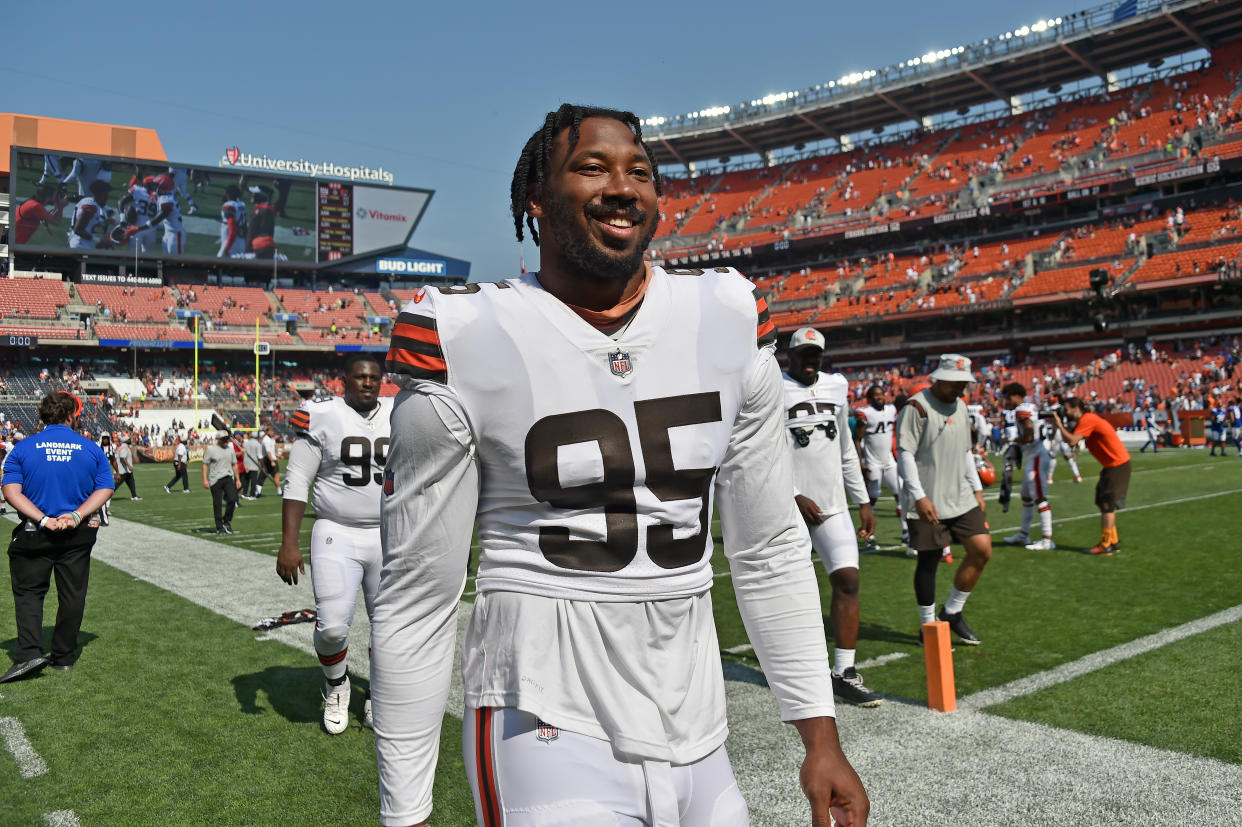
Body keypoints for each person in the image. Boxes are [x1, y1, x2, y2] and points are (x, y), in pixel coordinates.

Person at [372, 104, 867, 827]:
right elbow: (419, 593)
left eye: (640, 171)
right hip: (543, 713)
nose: (623, 186)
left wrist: (819, 737)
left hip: (698, 724)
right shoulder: (464, 332)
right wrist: (405, 813)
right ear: (535, 201)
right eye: (592, 166)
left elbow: (768, 547)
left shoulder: (726, 311)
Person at [277, 354, 392, 734]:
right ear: (344, 380)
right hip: (336, 531)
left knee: (390, 628)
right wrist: (288, 544)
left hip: (389, 534)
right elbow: (296, 480)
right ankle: (337, 684)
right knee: (331, 629)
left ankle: (379, 692)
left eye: (374, 377)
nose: (367, 383)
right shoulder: (322, 415)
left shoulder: (400, 411)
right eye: (360, 377)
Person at [783, 328, 882, 707]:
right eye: (804, 355)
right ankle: (798, 668)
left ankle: (845, 671)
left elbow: (844, 449)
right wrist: (793, 493)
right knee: (792, 592)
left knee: (848, 579)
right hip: (787, 506)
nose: (811, 361)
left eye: (816, 355)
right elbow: (764, 449)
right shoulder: (773, 387)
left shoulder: (836, 387)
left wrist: (863, 501)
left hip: (832, 505)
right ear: (789, 356)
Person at [0, 392, 113, 682]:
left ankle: (28, 654)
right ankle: (63, 658)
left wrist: (43, 519)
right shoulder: (90, 448)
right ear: (72, 416)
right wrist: (76, 515)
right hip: (77, 534)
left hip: (35, 532)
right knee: (72, 595)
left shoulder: (23, 448)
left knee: (29, 594)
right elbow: (106, 488)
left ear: (42, 416)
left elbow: (11, 491)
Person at [898, 354, 991, 645]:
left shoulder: (962, 408)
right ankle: (928, 627)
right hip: (929, 498)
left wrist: (975, 487)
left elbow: (965, 452)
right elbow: (904, 454)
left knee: (982, 550)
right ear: (938, 378)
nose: (959, 388)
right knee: (930, 561)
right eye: (953, 382)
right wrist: (919, 496)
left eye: (963, 383)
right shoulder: (917, 406)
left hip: (960, 494)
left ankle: (952, 612)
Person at [1052, 398, 1131, 555]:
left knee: (1107, 504)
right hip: (1112, 465)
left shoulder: (1088, 419)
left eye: (1066, 409)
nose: (1065, 413)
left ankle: (1106, 544)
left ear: (1076, 408)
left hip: (1117, 465)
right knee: (1102, 500)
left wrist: (1059, 425)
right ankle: (1113, 541)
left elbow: (1073, 440)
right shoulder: (1086, 420)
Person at [998, 383, 1054, 551]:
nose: (1006, 401)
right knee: (1026, 496)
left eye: (1008, 397)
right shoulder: (1028, 407)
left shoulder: (1022, 410)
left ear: (1017, 396)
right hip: (1034, 455)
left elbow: (1029, 435)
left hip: (1036, 455)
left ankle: (1047, 539)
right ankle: (1024, 535)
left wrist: (1012, 441)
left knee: (1039, 497)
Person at [853, 384, 905, 550]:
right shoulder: (865, 413)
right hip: (872, 461)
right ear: (869, 398)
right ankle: (869, 535)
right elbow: (857, 439)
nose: (880, 397)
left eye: (881, 394)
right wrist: (860, 462)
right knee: (872, 499)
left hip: (889, 461)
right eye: (875, 395)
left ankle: (906, 532)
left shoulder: (891, 410)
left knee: (900, 495)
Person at [202, 430, 240, 535]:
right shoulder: (211, 450)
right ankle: (219, 526)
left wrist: (238, 479)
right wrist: (205, 480)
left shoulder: (230, 449)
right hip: (215, 479)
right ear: (218, 439)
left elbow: (235, 464)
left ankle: (226, 521)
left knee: (233, 499)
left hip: (228, 477)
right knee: (217, 503)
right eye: (224, 439)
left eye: (227, 439)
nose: (226, 441)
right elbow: (205, 464)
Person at [115, 434, 141, 501]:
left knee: (131, 482)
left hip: (126, 471)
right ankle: (106, 496)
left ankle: (134, 496)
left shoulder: (124, 447)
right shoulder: (124, 448)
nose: (130, 440)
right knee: (116, 485)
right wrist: (129, 466)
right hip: (123, 470)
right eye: (129, 439)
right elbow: (123, 458)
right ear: (126, 441)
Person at [241, 432, 264, 499]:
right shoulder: (257, 444)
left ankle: (244, 493)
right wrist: (262, 465)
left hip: (246, 464)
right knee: (253, 481)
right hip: (254, 465)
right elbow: (259, 456)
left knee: (246, 479)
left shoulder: (245, 443)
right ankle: (252, 495)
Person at [260, 426, 282, 495]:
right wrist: (272, 461)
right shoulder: (266, 439)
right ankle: (279, 491)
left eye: (273, 431)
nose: (272, 432)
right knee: (274, 475)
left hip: (272, 459)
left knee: (273, 476)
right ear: (267, 432)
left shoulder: (272, 439)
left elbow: (272, 449)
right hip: (268, 460)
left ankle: (279, 491)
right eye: (271, 431)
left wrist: (277, 455)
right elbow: (268, 452)